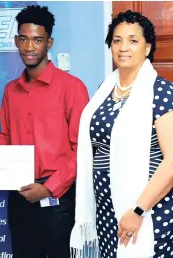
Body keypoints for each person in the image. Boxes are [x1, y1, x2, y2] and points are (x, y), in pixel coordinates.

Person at [0, 5, 89, 258]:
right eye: (23, 39)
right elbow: (7, 140)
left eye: (37, 40)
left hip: (59, 200)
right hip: (19, 195)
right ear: (16, 40)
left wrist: (49, 188)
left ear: (49, 42)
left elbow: (81, 149)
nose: (29, 47)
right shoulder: (11, 90)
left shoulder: (72, 87)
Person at [70, 10, 173, 258]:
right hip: (105, 210)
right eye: (117, 40)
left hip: (144, 211)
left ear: (147, 48)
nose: (123, 47)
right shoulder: (103, 92)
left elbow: (171, 161)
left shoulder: (161, 92)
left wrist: (138, 211)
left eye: (133, 40)